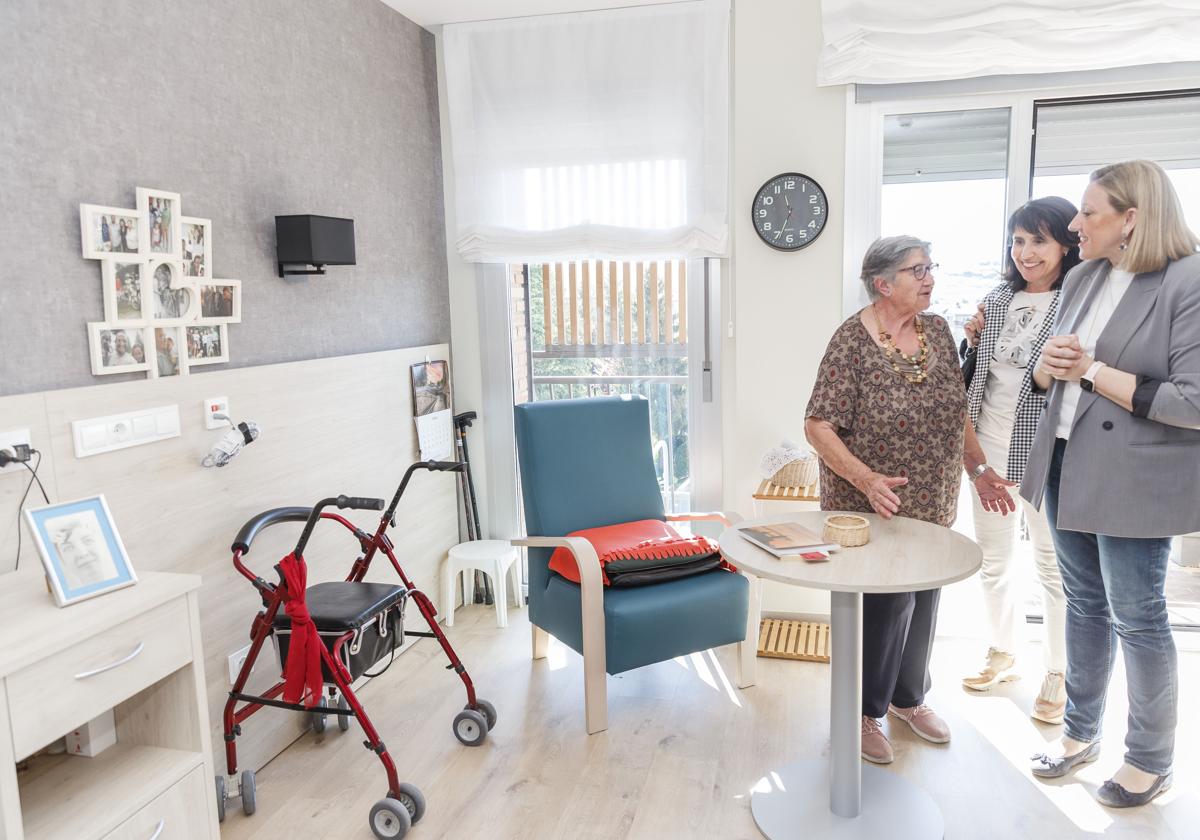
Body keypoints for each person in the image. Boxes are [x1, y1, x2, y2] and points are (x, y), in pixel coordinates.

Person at [1021, 160, 1200, 807]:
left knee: (1140, 619)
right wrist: (1048, 367)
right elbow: (1051, 372)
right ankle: (1079, 733)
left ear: (1132, 218)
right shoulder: (1087, 275)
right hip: (1068, 464)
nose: (1074, 224)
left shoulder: (1188, 280)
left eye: (1088, 212)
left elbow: (1194, 400)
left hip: (1136, 477)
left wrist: (1093, 370)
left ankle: (1150, 761)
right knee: (1084, 604)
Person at [805, 235, 1016, 765]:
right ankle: (863, 711)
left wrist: (981, 469)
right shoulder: (850, 341)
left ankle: (908, 699)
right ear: (883, 283)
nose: (929, 278)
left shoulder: (938, 331)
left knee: (924, 596)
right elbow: (818, 425)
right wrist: (867, 478)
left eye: (930, 267)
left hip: (934, 494)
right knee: (886, 603)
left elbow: (957, 410)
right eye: (917, 270)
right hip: (872, 502)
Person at [958, 198, 1080, 724]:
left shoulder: (1076, 299)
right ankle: (1003, 651)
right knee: (994, 561)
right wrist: (972, 341)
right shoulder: (998, 297)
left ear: (1066, 245)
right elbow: (980, 376)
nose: (1026, 253)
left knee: (1053, 566)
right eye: (1018, 241)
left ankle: (1058, 671)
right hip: (987, 446)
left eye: (1039, 241)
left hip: (1046, 452)